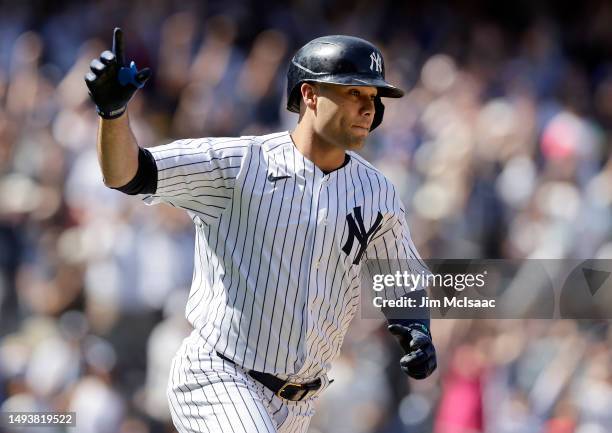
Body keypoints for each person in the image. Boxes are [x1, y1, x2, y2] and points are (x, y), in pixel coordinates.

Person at [85, 28, 437, 433]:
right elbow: (127, 173)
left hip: (301, 405)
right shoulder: (241, 163)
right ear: (309, 94)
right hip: (219, 376)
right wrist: (112, 115)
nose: (367, 108)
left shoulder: (378, 191)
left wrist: (416, 328)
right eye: (353, 92)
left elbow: (401, 279)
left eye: (373, 97)